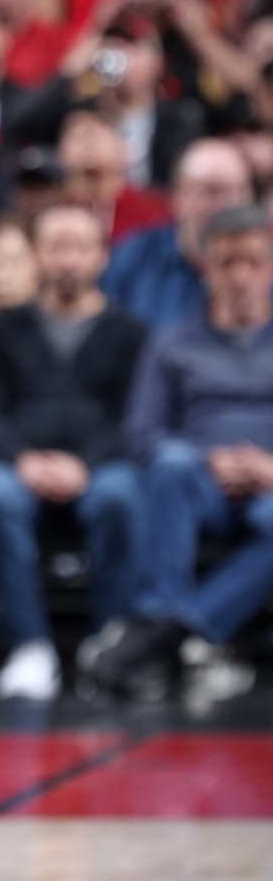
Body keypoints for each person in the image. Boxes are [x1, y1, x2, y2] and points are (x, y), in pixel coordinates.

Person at [0, 203, 146, 703]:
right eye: (56, 247)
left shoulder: (130, 333)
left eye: (80, 247)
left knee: (121, 497)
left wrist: (83, 463)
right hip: (18, 466)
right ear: (36, 255)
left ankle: (110, 644)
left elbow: (132, 420)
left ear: (102, 256)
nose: (68, 260)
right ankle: (29, 647)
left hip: (98, 467)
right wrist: (23, 458)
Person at [90, 206, 273, 700]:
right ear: (206, 267)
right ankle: (163, 613)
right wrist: (207, 459)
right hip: (200, 484)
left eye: (254, 262)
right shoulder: (172, 341)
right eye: (228, 262)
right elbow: (143, 435)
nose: (241, 276)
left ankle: (169, 635)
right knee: (168, 464)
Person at [102, 138, 253, 334]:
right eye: (212, 191)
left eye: (239, 191)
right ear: (178, 198)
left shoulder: (265, 265)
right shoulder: (133, 256)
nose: (229, 204)